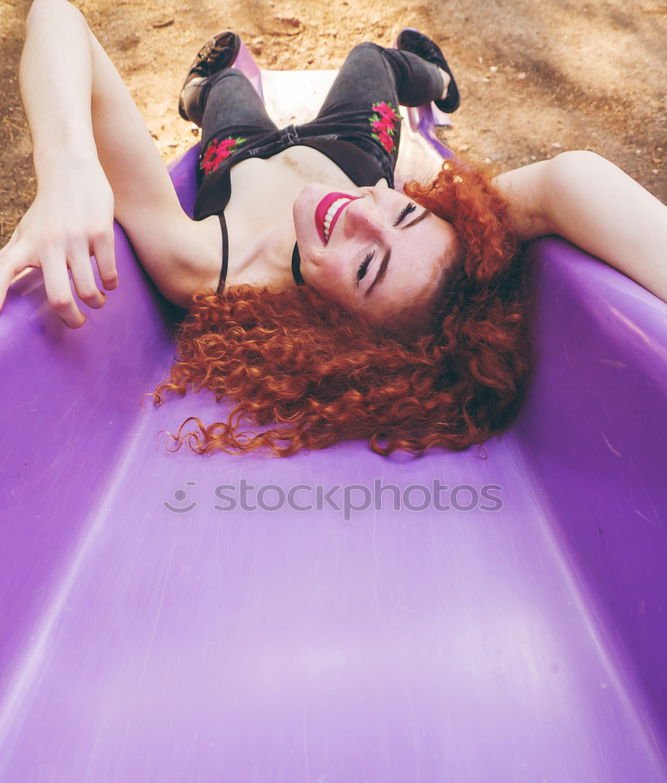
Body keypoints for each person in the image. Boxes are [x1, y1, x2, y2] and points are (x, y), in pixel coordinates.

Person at [1, 0, 666, 458]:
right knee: (366, 62)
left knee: (228, 101)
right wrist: (68, 175)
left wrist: (77, 164)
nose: (359, 213)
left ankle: (216, 86)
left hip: (233, 155)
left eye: (365, 266)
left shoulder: (204, 268)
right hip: (351, 145)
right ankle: (420, 71)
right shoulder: (378, 196)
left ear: (336, 330)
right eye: (405, 213)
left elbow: (57, 18)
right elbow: (564, 182)